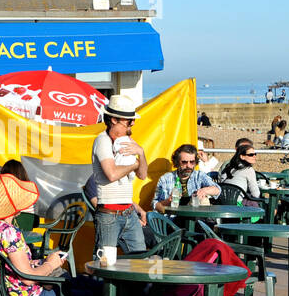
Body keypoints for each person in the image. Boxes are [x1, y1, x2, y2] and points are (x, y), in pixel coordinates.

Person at [0, 175, 67, 296]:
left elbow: (10, 265)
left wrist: (41, 262)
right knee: (86, 294)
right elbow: (28, 279)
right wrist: (50, 265)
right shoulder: (9, 233)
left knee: (81, 286)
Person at [88, 95, 147, 253]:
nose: (133, 123)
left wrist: (141, 154)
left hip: (128, 212)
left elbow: (142, 175)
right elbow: (112, 174)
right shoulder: (102, 141)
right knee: (105, 263)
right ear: (114, 120)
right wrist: (135, 163)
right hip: (109, 214)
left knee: (139, 262)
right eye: (129, 121)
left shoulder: (126, 140)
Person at [152, 144, 220, 213]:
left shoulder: (199, 176)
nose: (188, 165)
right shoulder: (165, 179)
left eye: (192, 162)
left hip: (195, 218)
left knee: (204, 201)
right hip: (172, 219)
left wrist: (204, 190)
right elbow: (155, 205)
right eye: (184, 162)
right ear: (177, 162)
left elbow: (217, 190)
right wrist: (169, 200)